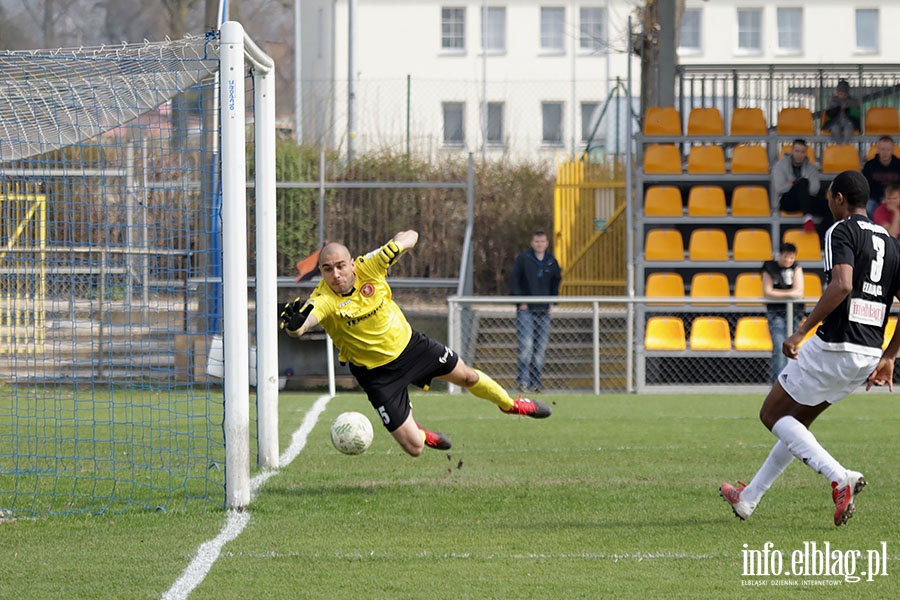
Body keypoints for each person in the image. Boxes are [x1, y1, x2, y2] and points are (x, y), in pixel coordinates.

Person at [720, 170, 900, 526]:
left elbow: (842, 284)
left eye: (831, 196)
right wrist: (890, 356)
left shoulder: (841, 230)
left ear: (838, 199)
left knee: (771, 415)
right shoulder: (892, 243)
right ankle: (748, 498)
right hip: (866, 354)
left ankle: (839, 477)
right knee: (796, 423)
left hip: (835, 345)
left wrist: (801, 332)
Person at [279, 230, 552, 457]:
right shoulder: (323, 297)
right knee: (415, 448)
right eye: (327, 270)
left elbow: (411, 235)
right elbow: (305, 322)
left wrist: (399, 244)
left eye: (340, 266)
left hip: (411, 348)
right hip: (376, 374)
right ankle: (419, 431)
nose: (335, 275)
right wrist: (296, 326)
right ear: (322, 273)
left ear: (351, 263)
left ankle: (510, 404)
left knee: (467, 376)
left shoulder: (370, 266)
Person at [509, 229, 562, 393]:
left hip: (544, 311)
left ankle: (536, 382)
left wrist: (553, 301)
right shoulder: (523, 260)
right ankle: (523, 381)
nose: (540, 244)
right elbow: (514, 280)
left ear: (547, 243)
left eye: (542, 242)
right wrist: (521, 301)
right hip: (526, 311)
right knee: (526, 346)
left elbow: (556, 281)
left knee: (540, 349)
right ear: (532, 243)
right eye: (537, 242)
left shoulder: (551, 262)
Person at [761, 242, 804, 385]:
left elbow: (800, 292)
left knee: (793, 348)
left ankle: (792, 382)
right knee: (779, 348)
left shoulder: (797, 268)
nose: (788, 260)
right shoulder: (769, 268)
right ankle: (778, 384)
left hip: (795, 313)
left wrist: (779, 293)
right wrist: (790, 294)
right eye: (786, 257)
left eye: (791, 258)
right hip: (776, 313)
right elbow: (768, 292)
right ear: (779, 255)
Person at [772, 139, 822, 233]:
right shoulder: (780, 166)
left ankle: (822, 238)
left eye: (802, 152)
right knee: (803, 182)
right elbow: (779, 188)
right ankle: (807, 217)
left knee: (829, 207)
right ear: (792, 151)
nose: (799, 154)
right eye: (797, 151)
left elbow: (815, 189)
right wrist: (795, 185)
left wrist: (795, 184)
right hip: (787, 201)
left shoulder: (811, 168)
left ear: (805, 153)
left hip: (806, 200)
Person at [862, 136, 900, 218]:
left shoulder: (899, 165)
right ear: (878, 150)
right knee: (868, 207)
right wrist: (881, 199)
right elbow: (865, 187)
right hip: (875, 198)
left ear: (893, 150)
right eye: (882, 149)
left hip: (896, 198)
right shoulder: (869, 166)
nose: (885, 152)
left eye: (888, 150)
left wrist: (891, 199)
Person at [822, 79, 861, 143]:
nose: (842, 95)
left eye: (844, 93)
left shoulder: (853, 102)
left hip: (849, 121)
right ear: (837, 93)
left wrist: (848, 110)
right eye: (840, 93)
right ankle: (839, 145)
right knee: (835, 128)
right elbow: (829, 113)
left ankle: (845, 145)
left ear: (847, 93)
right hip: (835, 121)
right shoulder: (833, 101)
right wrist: (838, 109)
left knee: (849, 128)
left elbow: (857, 114)